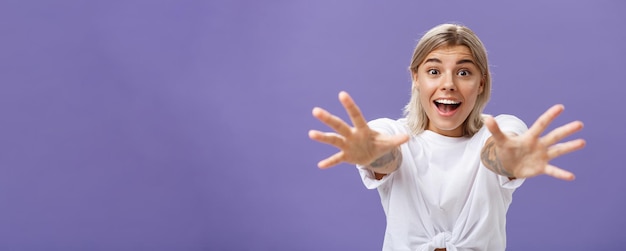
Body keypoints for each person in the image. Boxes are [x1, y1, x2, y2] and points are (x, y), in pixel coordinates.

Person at [308, 23, 586, 251]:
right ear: (416, 78)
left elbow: (500, 153)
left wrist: (510, 159)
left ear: (481, 83)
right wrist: (372, 154)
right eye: (433, 71)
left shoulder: (499, 129)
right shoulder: (395, 134)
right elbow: (385, 155)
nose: (449, 84)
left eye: (464, 72)